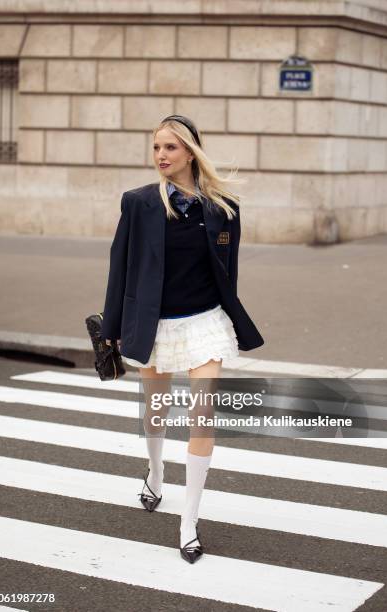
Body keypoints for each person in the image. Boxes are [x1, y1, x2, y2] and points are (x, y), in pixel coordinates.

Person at [101, 114, 264, 563]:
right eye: (156, 148)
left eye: (169, 148)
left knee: (202, 413)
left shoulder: (222, 206)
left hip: (204, 322)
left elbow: (227, 272)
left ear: (189, 152)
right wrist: (112, 331)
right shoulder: (138, 203)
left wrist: (232, 316)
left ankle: (188, 521)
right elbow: (121, 268)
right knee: (155, 408)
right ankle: (156, 472)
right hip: (153, 322)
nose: (160, 157)